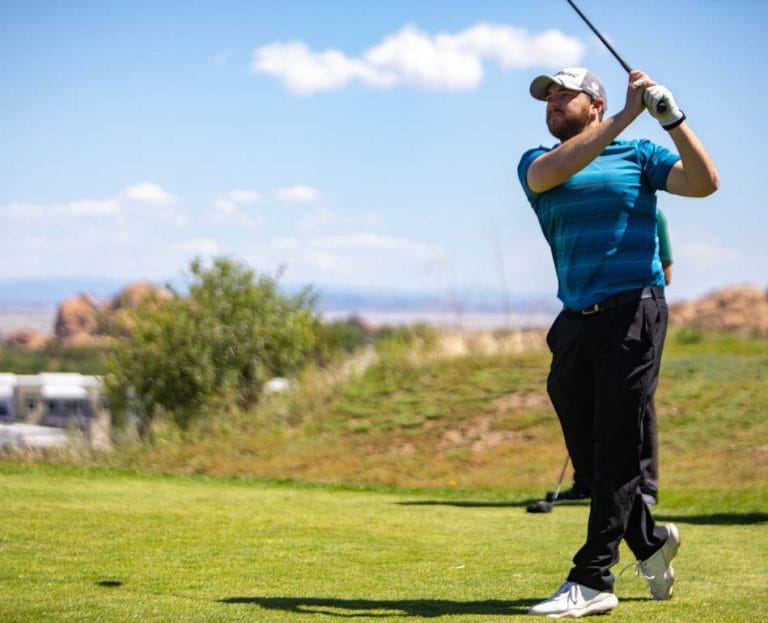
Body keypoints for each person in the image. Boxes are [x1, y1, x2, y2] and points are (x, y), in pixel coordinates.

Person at [517, 67, 718, 617]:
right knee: (589, 455)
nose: (553, 103)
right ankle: (650, 542)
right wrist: (631, 114)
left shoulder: (640, 156)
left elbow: (705, 183)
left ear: (596, 105)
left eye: (566, 95)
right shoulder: (536, 161)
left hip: (634, 311)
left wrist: (672, 119)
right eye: (549, 97)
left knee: (616, 444)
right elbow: (549, 175)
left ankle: (593, 579)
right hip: (575, 318)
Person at [549, 208, 672, 506]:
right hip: (583, 315)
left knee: (635, 400)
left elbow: (666, 273)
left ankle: (644, 486)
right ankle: (589, 481)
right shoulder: (584, 212)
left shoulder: (652, 214)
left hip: (631, 311)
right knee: (575, 393)